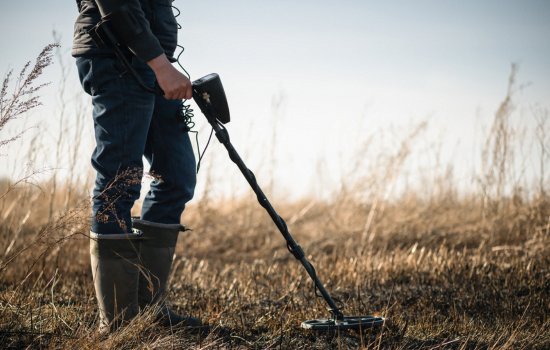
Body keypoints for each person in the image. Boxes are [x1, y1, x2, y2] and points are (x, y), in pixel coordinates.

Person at [72, 0, 199, 332]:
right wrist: (160, 64)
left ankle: (149, 310)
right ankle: (117, 325)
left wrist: (160, 62)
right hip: (116, 55)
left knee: (176, 176)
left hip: (153, 61)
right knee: (120, 181)